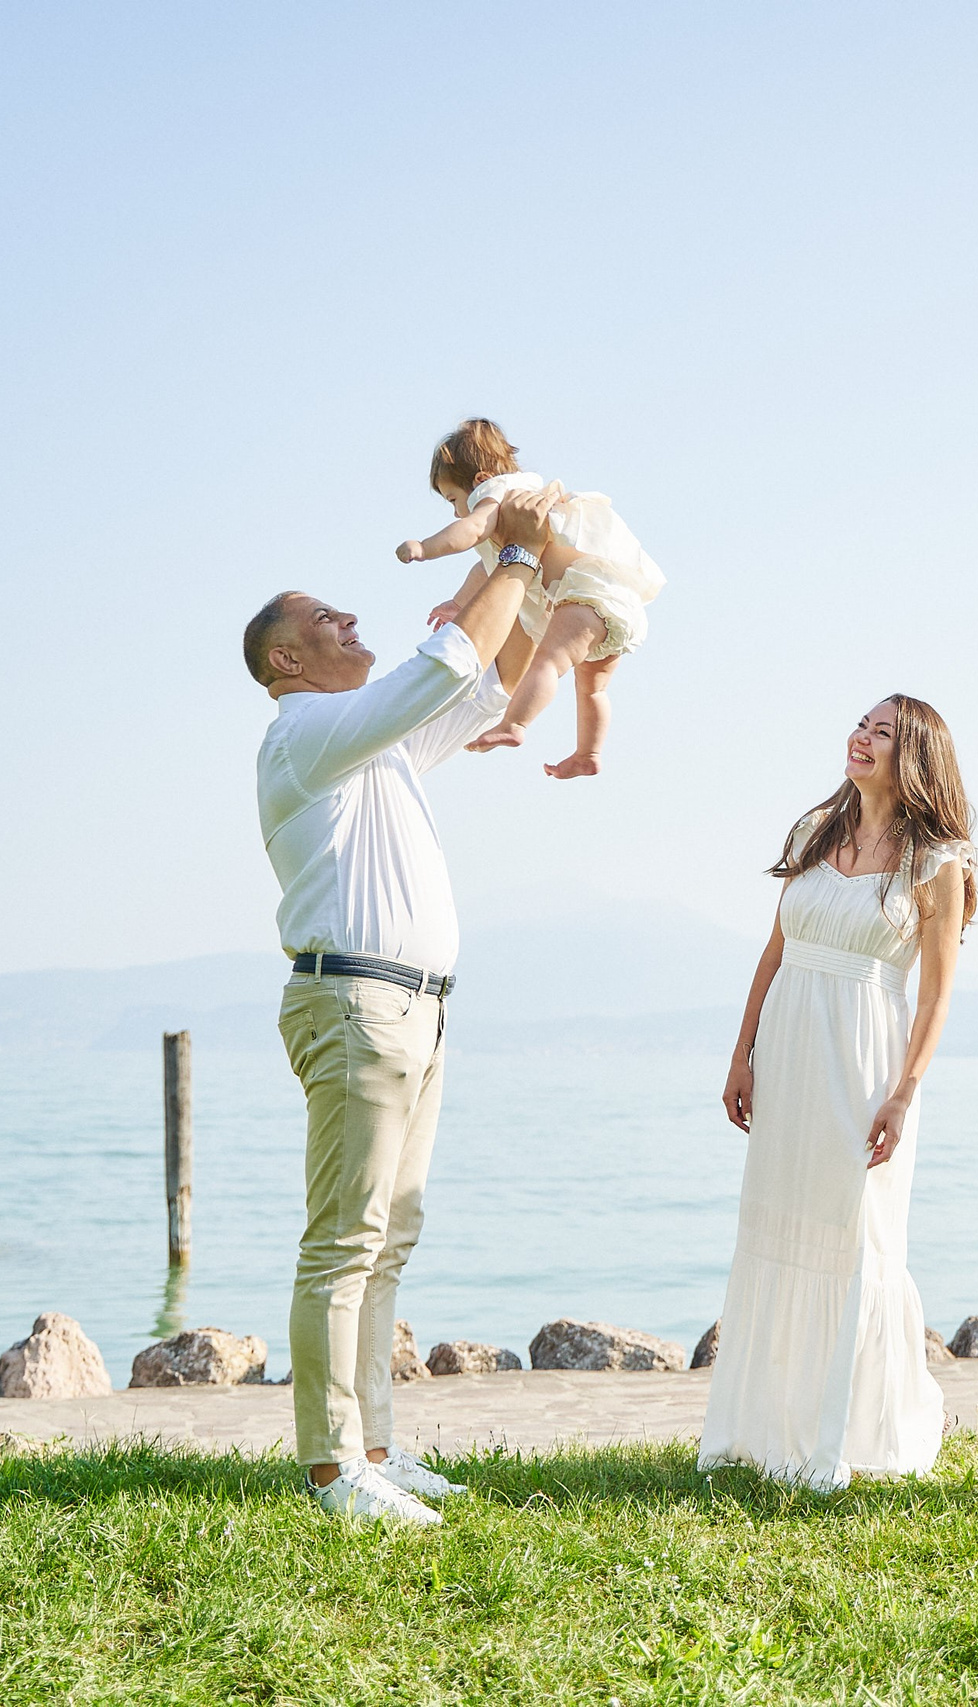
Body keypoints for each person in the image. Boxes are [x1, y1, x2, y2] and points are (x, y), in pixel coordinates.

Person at [244, 483, 556, 1524]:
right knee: (344, 1238)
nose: (350, 619)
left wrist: (520, 568)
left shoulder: (370, 744)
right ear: (286, 661)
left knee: (390, 1238)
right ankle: (334, 1473)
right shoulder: (308, 732)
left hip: (414, 1009)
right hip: (356, 1006)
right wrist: (507, 556)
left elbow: (486, 684)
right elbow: (445, 663)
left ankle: (375, 1446)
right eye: (325, 618)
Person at [699, 696, 976, 1491]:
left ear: (914, 753)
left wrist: (904, 1093)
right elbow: (774, 949)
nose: (861, 737)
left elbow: (934, 997)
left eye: (882, 731)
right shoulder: (811, 833)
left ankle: (848, 1429)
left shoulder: (936, 859)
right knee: (778, 1221)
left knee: (856, 1233)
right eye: (861, 724)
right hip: (787, 1046)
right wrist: (741, 1051)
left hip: (865, 1057)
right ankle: (763, 1427)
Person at [395, 417, 664, 778]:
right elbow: (485, 569)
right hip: (613, 604)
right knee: (592, 689)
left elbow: (470, 530)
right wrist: (458, 603)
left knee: (547, 663)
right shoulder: (528, 494)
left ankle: (515, 724)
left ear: (478, 481)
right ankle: (589, 753)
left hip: (584, 598)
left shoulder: (498, 494)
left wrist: (425, 547)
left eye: (453, 499)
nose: (457, 511)